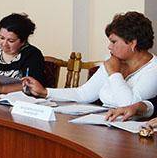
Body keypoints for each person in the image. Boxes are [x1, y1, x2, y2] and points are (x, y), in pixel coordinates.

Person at [23, 12, 157, 107]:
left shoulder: (153, 69)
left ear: (132, 43)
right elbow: (83, 94)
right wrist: (45, 92)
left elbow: (129, 104)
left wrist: (114, 74)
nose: (109, 47)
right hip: (106, 124)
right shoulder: (115, 61)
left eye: (114, 42)